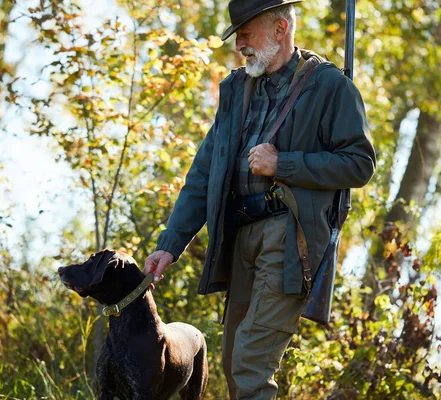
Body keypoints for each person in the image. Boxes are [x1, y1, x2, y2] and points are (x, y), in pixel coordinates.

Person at [143, 0, 376, 398]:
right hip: (240, 238)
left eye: (246, 35)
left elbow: (358, 164)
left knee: (251, 361)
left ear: (280, 29)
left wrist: (283, 164)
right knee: (235, 359)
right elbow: (204, 174)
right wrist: (171, 244)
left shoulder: (329, 86)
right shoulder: (237, 90)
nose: (240, 46)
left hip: (289, 240)